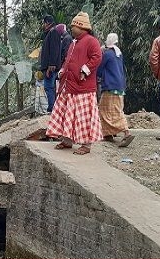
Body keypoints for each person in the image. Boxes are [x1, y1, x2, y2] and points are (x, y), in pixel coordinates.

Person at [46, 11, 103, 155]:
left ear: (81, 27)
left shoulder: (91, 41)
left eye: (74, 26)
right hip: (68, 86)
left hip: (83, 88)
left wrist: (85, 70)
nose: (71, 29)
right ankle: (67, 140)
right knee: (66, 114)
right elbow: (67, 60)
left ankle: (86, 145)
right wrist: (63, 70)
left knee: (83, 117)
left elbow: (97, 57)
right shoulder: (73, 43)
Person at [97, 33, 134, 147]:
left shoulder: (107, 54)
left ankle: (126, 132)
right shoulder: (119, 54)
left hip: (110, 86)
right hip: (120, 86)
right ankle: (107, 134)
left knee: (107, 110)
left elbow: (99, 69)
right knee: (113, 109)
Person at [39, 15, 62, 113]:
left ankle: (52, 108)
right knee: (49, 87)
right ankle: (52, 107)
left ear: (48, 23)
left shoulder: (53, 32)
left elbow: (54, 50)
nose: (43, 25)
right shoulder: (50, 33)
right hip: (48, 66)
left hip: (50, 67)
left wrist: (51, 66)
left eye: (44, 23)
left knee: (49, 87)